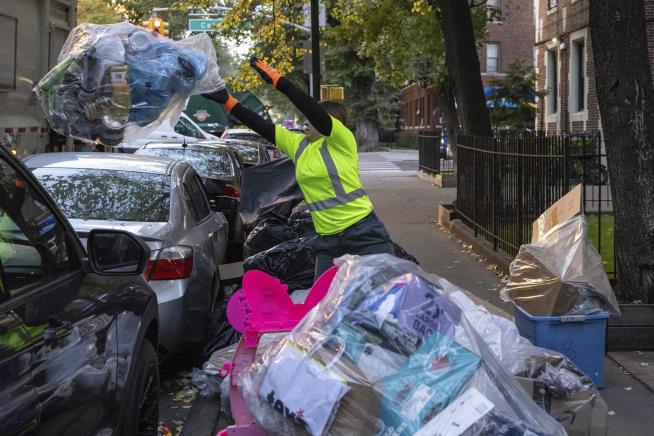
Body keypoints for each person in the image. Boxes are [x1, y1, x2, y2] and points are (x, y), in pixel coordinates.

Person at [203, 58, 394, 279]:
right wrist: (227, 101)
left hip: (363, 232)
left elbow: (313, 111)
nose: (305, 122)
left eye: (311, 120)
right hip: (327, 240)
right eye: (305, 119)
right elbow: (261, 125)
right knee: (324, 304)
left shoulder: (341, 141)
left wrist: (280, 82)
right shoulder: (299, 145)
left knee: (383, 293)